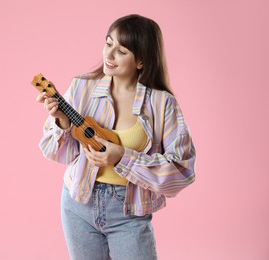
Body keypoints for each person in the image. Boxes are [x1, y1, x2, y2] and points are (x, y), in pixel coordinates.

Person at [36, 14, 196, 260]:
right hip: (78, 204)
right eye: (108, 43)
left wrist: (122, 157)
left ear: (141, 61)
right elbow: (56, 153)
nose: (109, 56)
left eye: (121, 51)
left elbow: (181, 170)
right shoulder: (82, 87)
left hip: (129, 213)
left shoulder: (162, 104)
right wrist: (63, 122)